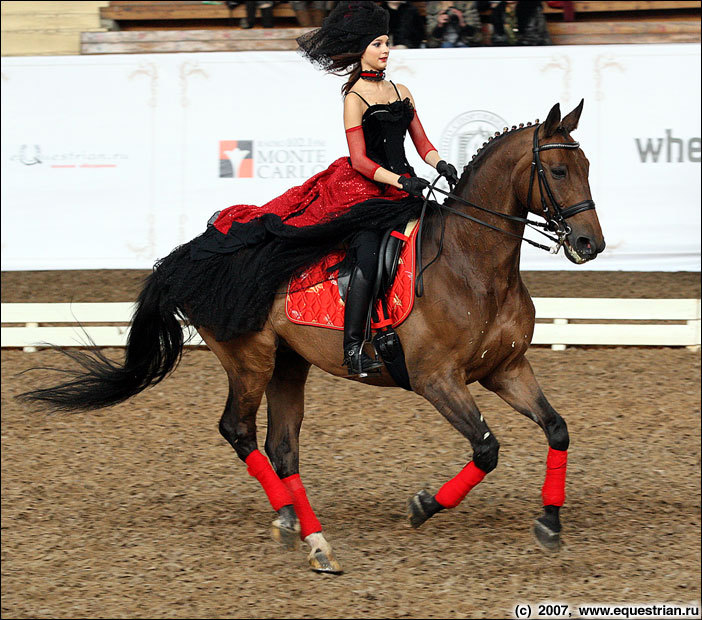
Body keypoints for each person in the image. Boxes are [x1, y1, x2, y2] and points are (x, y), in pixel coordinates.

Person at [154, 1, 458, 377]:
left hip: (406, 187)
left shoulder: (403, 90)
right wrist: (400, 180)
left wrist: (440, 162)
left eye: (387, 43)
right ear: (362, 49)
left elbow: (421, 142)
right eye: (378, 44)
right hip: (366, 190)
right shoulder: (355, 97)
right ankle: (353, 346)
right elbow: (361, 161)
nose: (385, 50)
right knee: (366, 255)